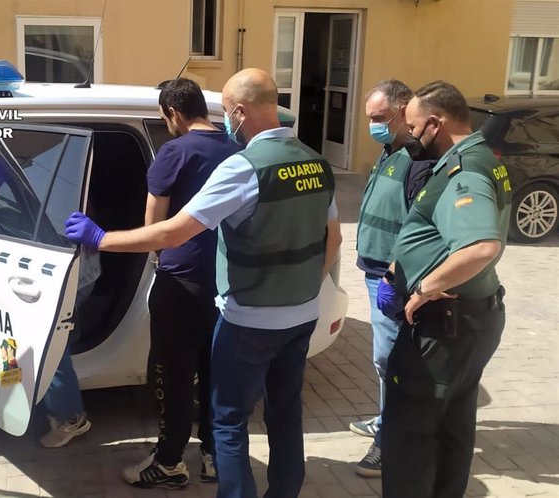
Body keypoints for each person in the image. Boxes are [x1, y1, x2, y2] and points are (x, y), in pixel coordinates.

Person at [63, 68, 342, 498]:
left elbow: (171, 232)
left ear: (239, 111)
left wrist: (101, 238)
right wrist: (302, 292)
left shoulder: (245, 168)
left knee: (228, 419)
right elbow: (335, 240)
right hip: (302, 316)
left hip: (249, 319)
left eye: (230, 112)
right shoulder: (315, 163)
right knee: (285, 415)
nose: (228, 120)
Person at [377, 81, 510, 498]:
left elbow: (481, 246)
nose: (410, 136)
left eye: (414, 127)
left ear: (435, 123)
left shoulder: (463, 169)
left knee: (409, 439)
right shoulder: (480, 157)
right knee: (452, 428)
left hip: (442, 329)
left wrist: (424, 288)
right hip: (470, 321)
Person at [121, 78, 240, 488]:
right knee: (213, 369)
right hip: (225, 280)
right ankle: (212, 454)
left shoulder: (173, 152)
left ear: (172, 113)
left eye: (164, 117)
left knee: (173, 371)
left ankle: (170, 460)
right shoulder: (238, 149)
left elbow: (154, 226)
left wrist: (155, 256)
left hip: (181, 281)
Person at [349, 79, 434, 478]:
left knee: (389, 360)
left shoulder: (417, 160)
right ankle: (387, 419)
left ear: (403, 113)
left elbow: (418, 227)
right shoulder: (389, 151)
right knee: (383, 360)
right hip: (374, 269)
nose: (373, 126)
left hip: (390, 277)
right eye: (370, 119)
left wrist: (393, 276)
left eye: (380, 118)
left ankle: (388, 441)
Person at [39, 245, 101, 448]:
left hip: (69, 274)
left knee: (51, 350)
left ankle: (71, 419)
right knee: (51, 345)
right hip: (72, 270)